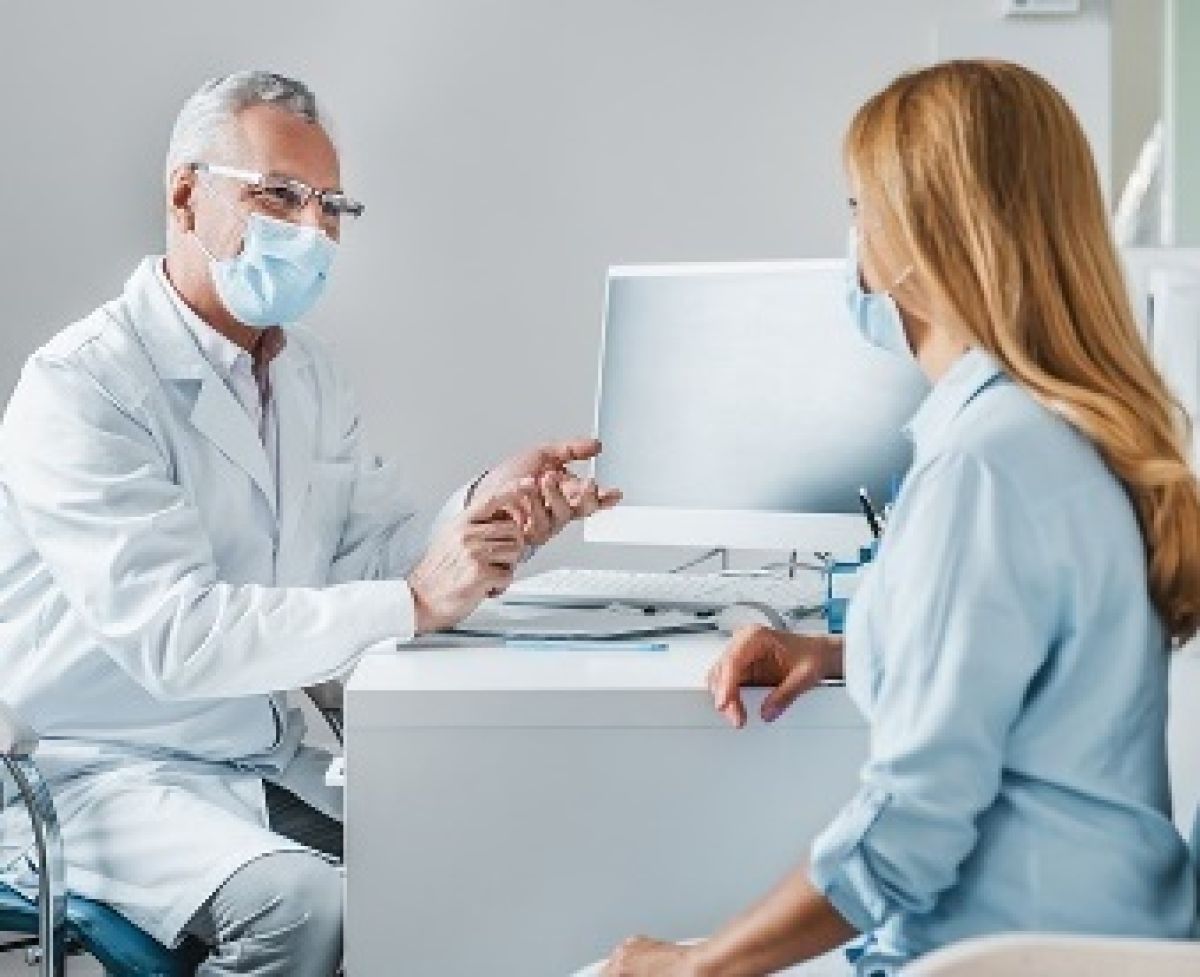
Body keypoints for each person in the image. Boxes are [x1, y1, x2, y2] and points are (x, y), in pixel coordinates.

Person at [0, 71, 618, 976]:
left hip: (249, 752)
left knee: (478, 861)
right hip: (94, 768)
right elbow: (175, 637)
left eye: (332, 206)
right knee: (311, 915)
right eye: (280, 196)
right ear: (184, 193)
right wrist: (414, 599)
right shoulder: (83, 388)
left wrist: (488, 506)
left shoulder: (304, 375)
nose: (313, 231)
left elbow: (363, 550)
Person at [597, 59, 1200, 977]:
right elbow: (1031, 658)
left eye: (856, 208)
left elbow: (912, 826)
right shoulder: (1059, 430)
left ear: (921, 236)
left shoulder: (984, 463)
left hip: (1007, 952)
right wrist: (843, 651)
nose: (850, 241)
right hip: (1097, 927)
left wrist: (695, 966)